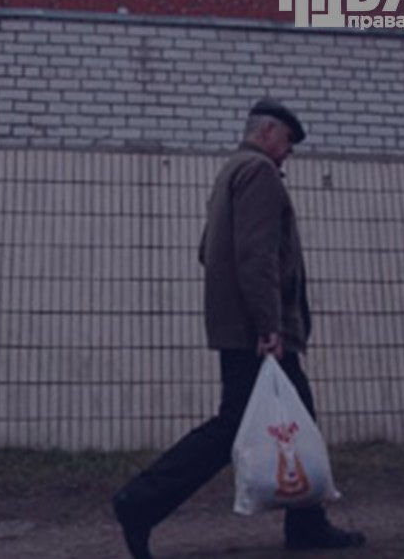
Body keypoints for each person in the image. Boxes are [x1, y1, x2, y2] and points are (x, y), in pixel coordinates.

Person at [110, 99, 365, 558]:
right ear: (266, 132)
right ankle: (139, 503)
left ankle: (306, 524)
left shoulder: (229, 173)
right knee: (237, 426)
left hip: (238, 327)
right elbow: (256, 255)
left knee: (290, 417)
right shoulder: (260, 173)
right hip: (259, 333)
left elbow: (207, 251)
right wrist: (269, 325)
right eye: (287, 139)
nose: (290, 150)